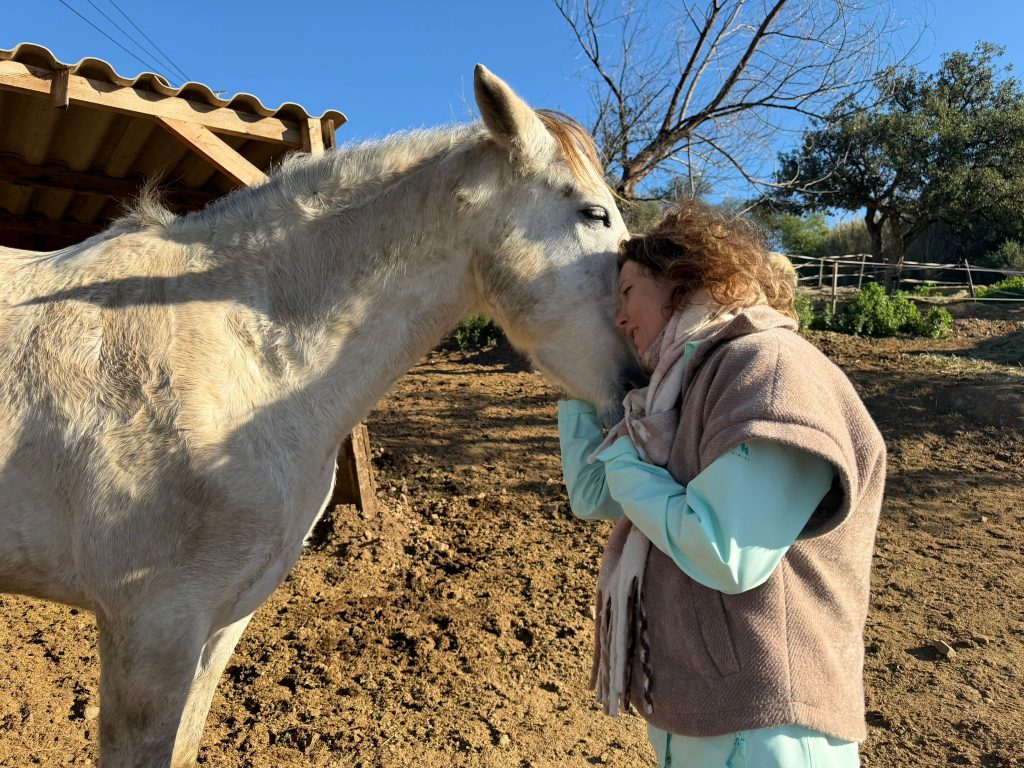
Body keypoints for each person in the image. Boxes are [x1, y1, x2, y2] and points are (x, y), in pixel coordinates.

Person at [558, 199, 886, 767]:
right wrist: (579, 383)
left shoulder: (771, 366)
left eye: (628, 291)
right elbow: (594, 497)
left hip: (767, 723)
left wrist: (621, 458)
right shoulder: (679, 390)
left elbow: (726, 550)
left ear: (680, 280)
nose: (619, 317)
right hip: (711, 713)